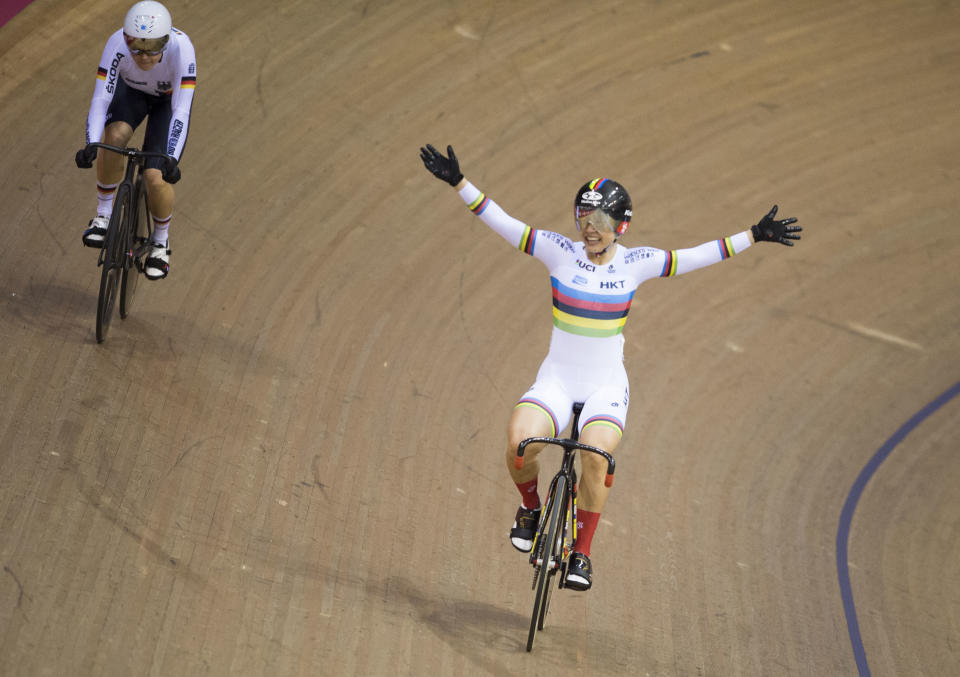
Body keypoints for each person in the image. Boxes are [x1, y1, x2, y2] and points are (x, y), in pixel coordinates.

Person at [420, 143, 801, 591]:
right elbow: (504, 222)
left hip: (605, 387)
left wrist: (753, 235)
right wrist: (459, 183)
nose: (589, 229)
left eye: (599, 221)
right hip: (558, 381)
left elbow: (698, 255)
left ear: (621, 225)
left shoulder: (637, 263)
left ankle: (581, 554)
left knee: (595, 460)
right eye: (583, 218)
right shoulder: (559, 250)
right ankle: (531, 509)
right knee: (520, 444)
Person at [75, 1, 196, 281]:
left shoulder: (182, 49)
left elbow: (181, 110)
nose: (144, 56)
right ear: (126, 39)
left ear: (165, 42)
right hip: (132, 93)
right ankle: (103, 216)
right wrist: (91, 143)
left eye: (153, 47)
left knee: (155, 176)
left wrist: (172, 159)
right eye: (136, 47)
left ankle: (160, 241)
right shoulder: (116, 43)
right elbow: (101, 98)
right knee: (113, 137)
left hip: (168, 104)